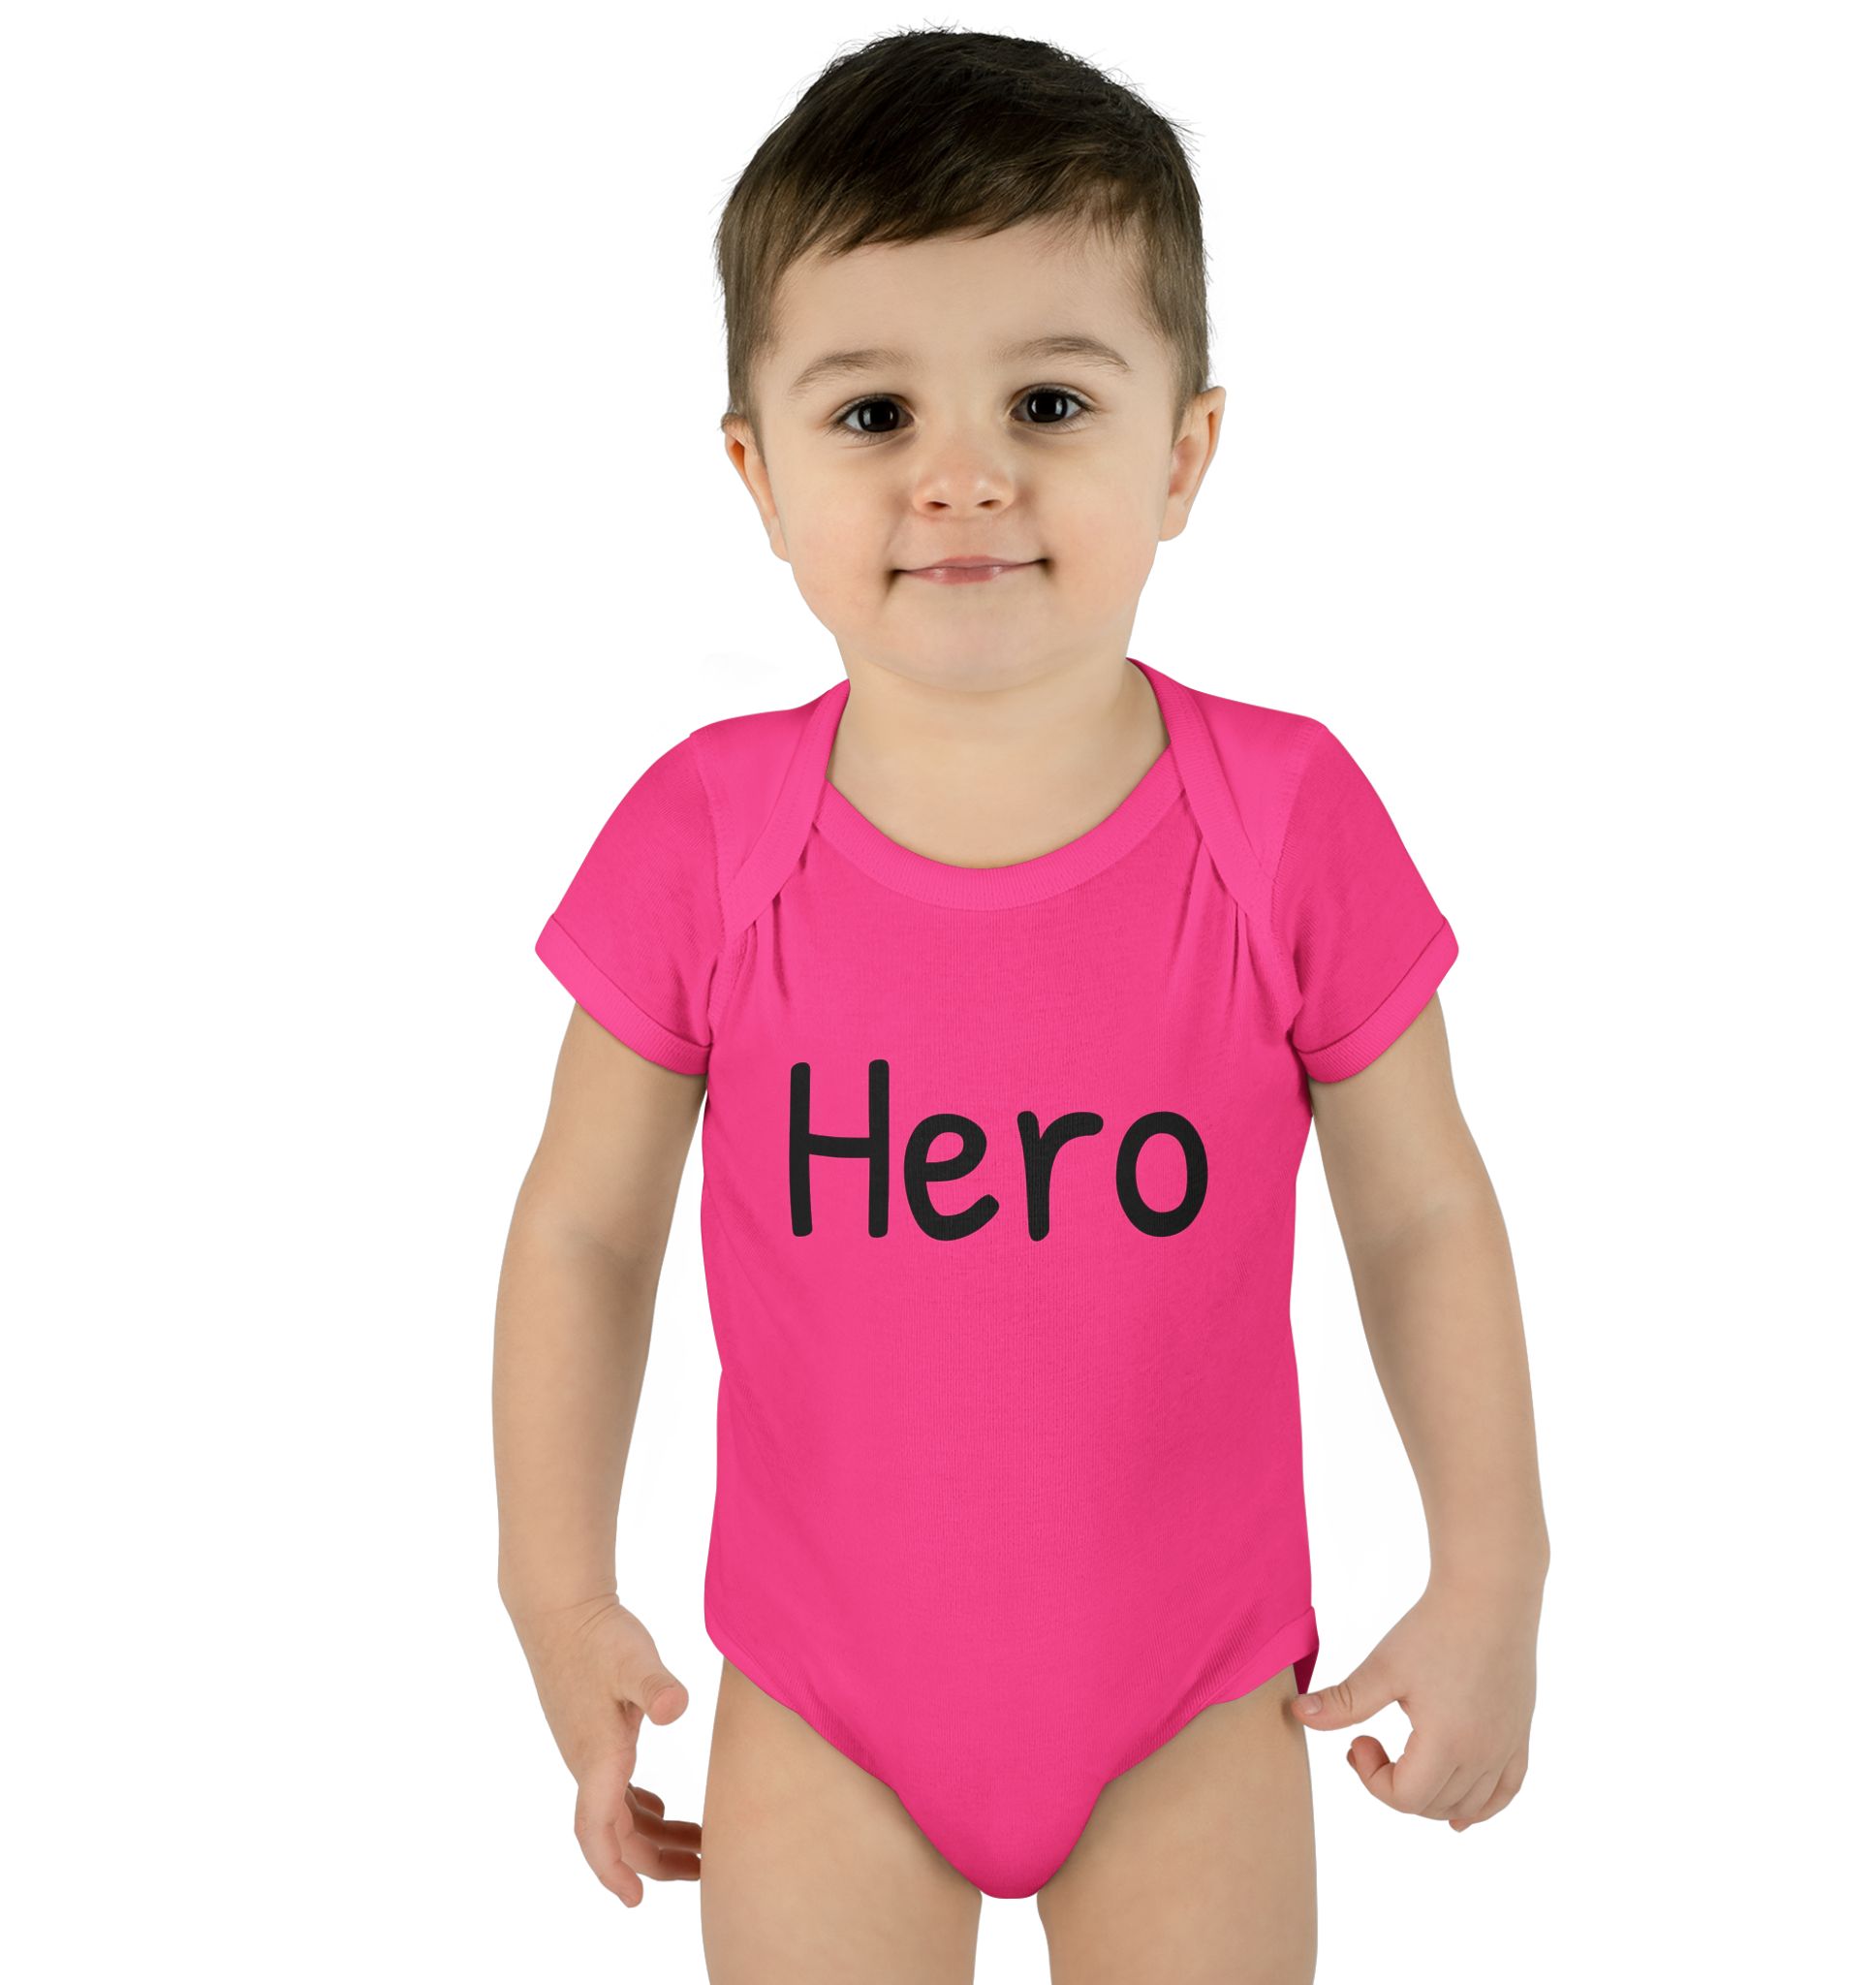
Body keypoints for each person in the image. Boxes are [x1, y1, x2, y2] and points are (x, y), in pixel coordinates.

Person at [494, 27, 1547, 1984]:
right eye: (874, 412)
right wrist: (556, 1597)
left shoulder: (1286, 816)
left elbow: (1418, 1212)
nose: (962, 476)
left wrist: (1494, 1570)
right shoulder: (704, 836)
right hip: (819, 1703)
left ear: (1184, 454)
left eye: (1048, 401)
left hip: (1191, 1700)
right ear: (758, 474)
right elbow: (582, 1232)